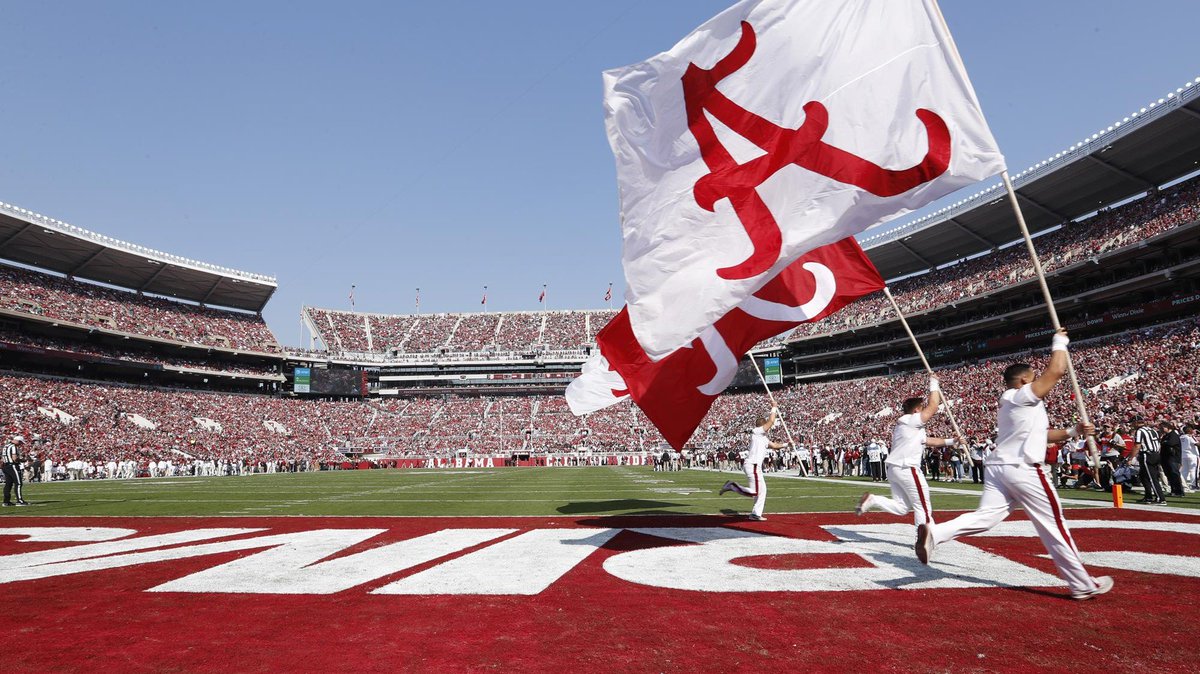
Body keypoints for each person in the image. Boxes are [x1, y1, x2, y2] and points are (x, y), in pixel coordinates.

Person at [914, 329, 1112, 600]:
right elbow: (1055, 373)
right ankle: (1082, 584)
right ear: (1022, 381)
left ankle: (935, 534)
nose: (1037, 379)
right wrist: (1059, 342)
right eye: (1032, 377)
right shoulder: (1018, 396)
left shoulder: (1020, 405)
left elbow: (1042, 435)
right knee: (1053, 524)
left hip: (1001, 468)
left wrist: (1072, 431)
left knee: (987, 517)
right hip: (1023, 468)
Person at [855, 377, 956, 530]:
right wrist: (934, 383)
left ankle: (873, 499)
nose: (924, 411)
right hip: (907, 467)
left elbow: (928, 441)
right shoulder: (911, 420)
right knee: (923, 506)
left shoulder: (908, 427)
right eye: (922, 408)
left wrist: (952, 441)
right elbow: (934, 406)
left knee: (902, 507)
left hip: (895, 469)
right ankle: (924, 538)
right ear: (916, 411)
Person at [720, 407, 787, 521]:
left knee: (762, 491)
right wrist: (774, 407)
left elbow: (775, 446)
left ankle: (756, 513)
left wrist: (787, 444)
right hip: (753, 465)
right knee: (755, 492)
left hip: (754, 466)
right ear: (762, 426)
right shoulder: (757, 432)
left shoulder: (763, 438)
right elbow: (771, 422)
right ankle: (732, 486)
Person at [1132, 417, 1165, 504]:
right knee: (1143, 476)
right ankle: (1148, 496)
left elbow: (1137, 446)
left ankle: (1160, 498)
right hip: (1155, 454)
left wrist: (1131, 458)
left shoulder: (1139, 431)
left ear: (1136, 423)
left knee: (1151, 477)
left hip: (1147, 455)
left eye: (1132, 423)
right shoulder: (1152, 430)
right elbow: (1158, 444)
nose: (1131, 425)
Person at [1157, 420, 1184, 498]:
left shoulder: (1173, 435)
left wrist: (1163, 442)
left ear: (1167, 427)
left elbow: (1170, 443)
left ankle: (1179, 491)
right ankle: (1173, 490)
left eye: (1162, 428)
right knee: (1169, 475)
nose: (1161, 429)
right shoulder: (1166, 436)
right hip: (1166, 458)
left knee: (1174, 474)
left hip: (1173, 458)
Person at [3, 435, 29, 507]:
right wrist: (22, 460)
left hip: (6, 466)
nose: (20, 445)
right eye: (20, 443)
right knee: (18, 483)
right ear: (18, 441)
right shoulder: (13, 446)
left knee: (8, 484)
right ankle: (19, 501)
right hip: (12, 466)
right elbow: (14, 458)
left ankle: (6, 501)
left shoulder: (6, 446)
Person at [1181, 424, 1198, 491]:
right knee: (1194, 471)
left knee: (1184, 471)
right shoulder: (1190, 437)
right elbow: (1196, 443)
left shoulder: (1181, 437)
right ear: (1189, 431)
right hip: (1192, 455)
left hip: (1183, 455)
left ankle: (1183, 484)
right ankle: (1194, 485)